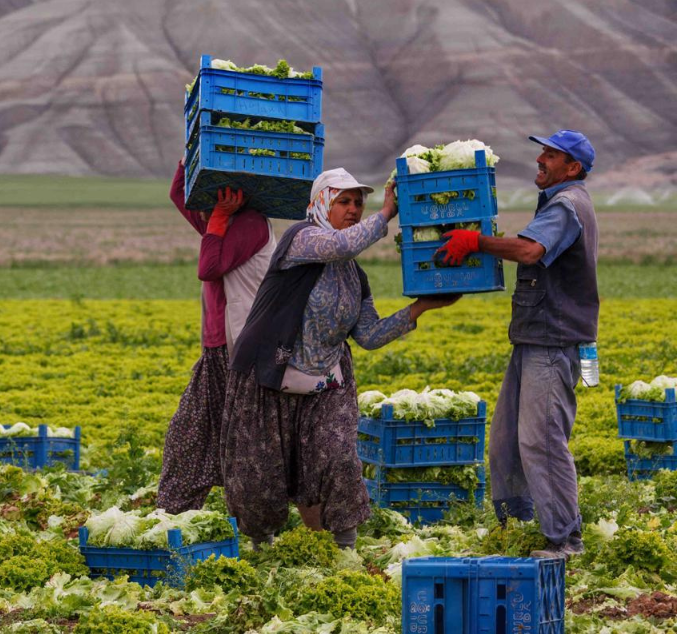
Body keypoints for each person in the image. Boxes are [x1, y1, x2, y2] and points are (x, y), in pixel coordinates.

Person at [222, 169, 460, 548]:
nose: (353, 210)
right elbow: (341, 245)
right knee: (261, 473)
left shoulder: (354, 276)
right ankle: (260, 547)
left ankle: (344, 547)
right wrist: (384, 216)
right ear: (321, 204)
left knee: (338, 457)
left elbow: (369, 335)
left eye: (358, 203)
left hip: (325, 382)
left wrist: (422, 307)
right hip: (270, 374)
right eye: (344, 202)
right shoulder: (300, 239)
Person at [435, 130, 598, 559]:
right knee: (507, 439)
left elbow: (529, 251)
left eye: (551, 154)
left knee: (541, 440)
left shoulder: (567, 205)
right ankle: (521, 525)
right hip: (533, 336)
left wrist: (476, 242)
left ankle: (565, 539)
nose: (540, 159)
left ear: (573, 167)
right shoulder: (558, 203)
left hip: (553, 339)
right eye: (541, 152)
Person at [158, 160, 274, 513]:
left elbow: (208, 268)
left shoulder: (251, 223)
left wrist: (220, 218)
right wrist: (186, 154)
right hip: (216, 350)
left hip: (238, 350)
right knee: (190, 432)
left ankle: (256, 522)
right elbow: (179, 195)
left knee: (240, 439)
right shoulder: (223, 222)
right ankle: (174, 514)